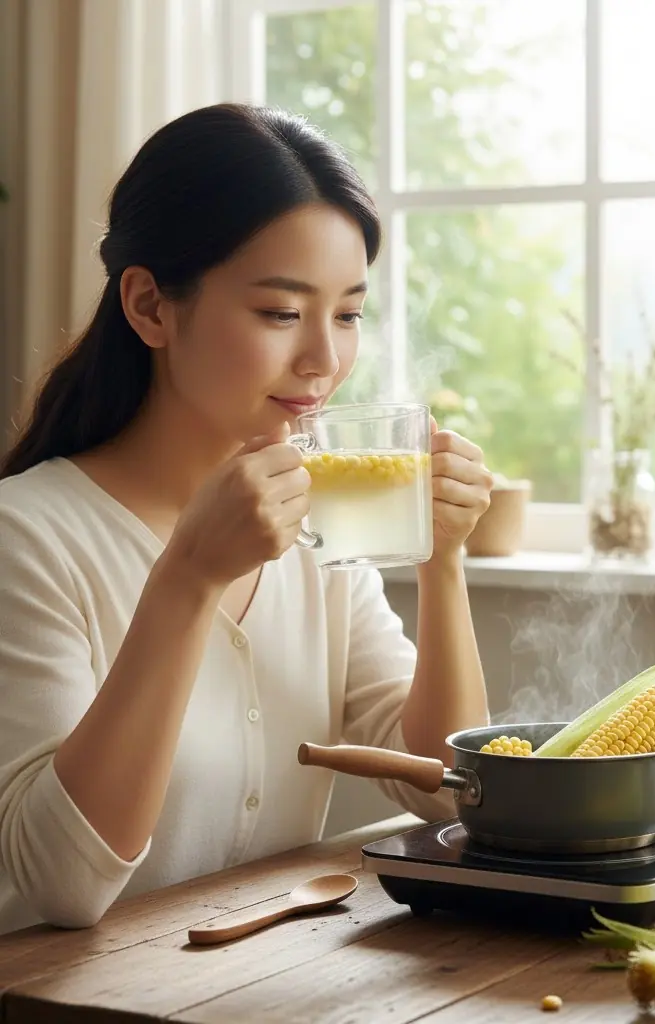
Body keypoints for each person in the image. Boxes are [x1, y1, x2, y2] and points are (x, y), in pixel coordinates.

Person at [0, 103, 493, 935]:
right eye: (280, 313)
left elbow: (447, 784)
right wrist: (189, 578)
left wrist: (441, 562)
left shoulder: (317, 527)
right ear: (151, 306)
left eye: (347, 314)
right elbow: (60, 885)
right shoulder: (27, 538)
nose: (324, 361)